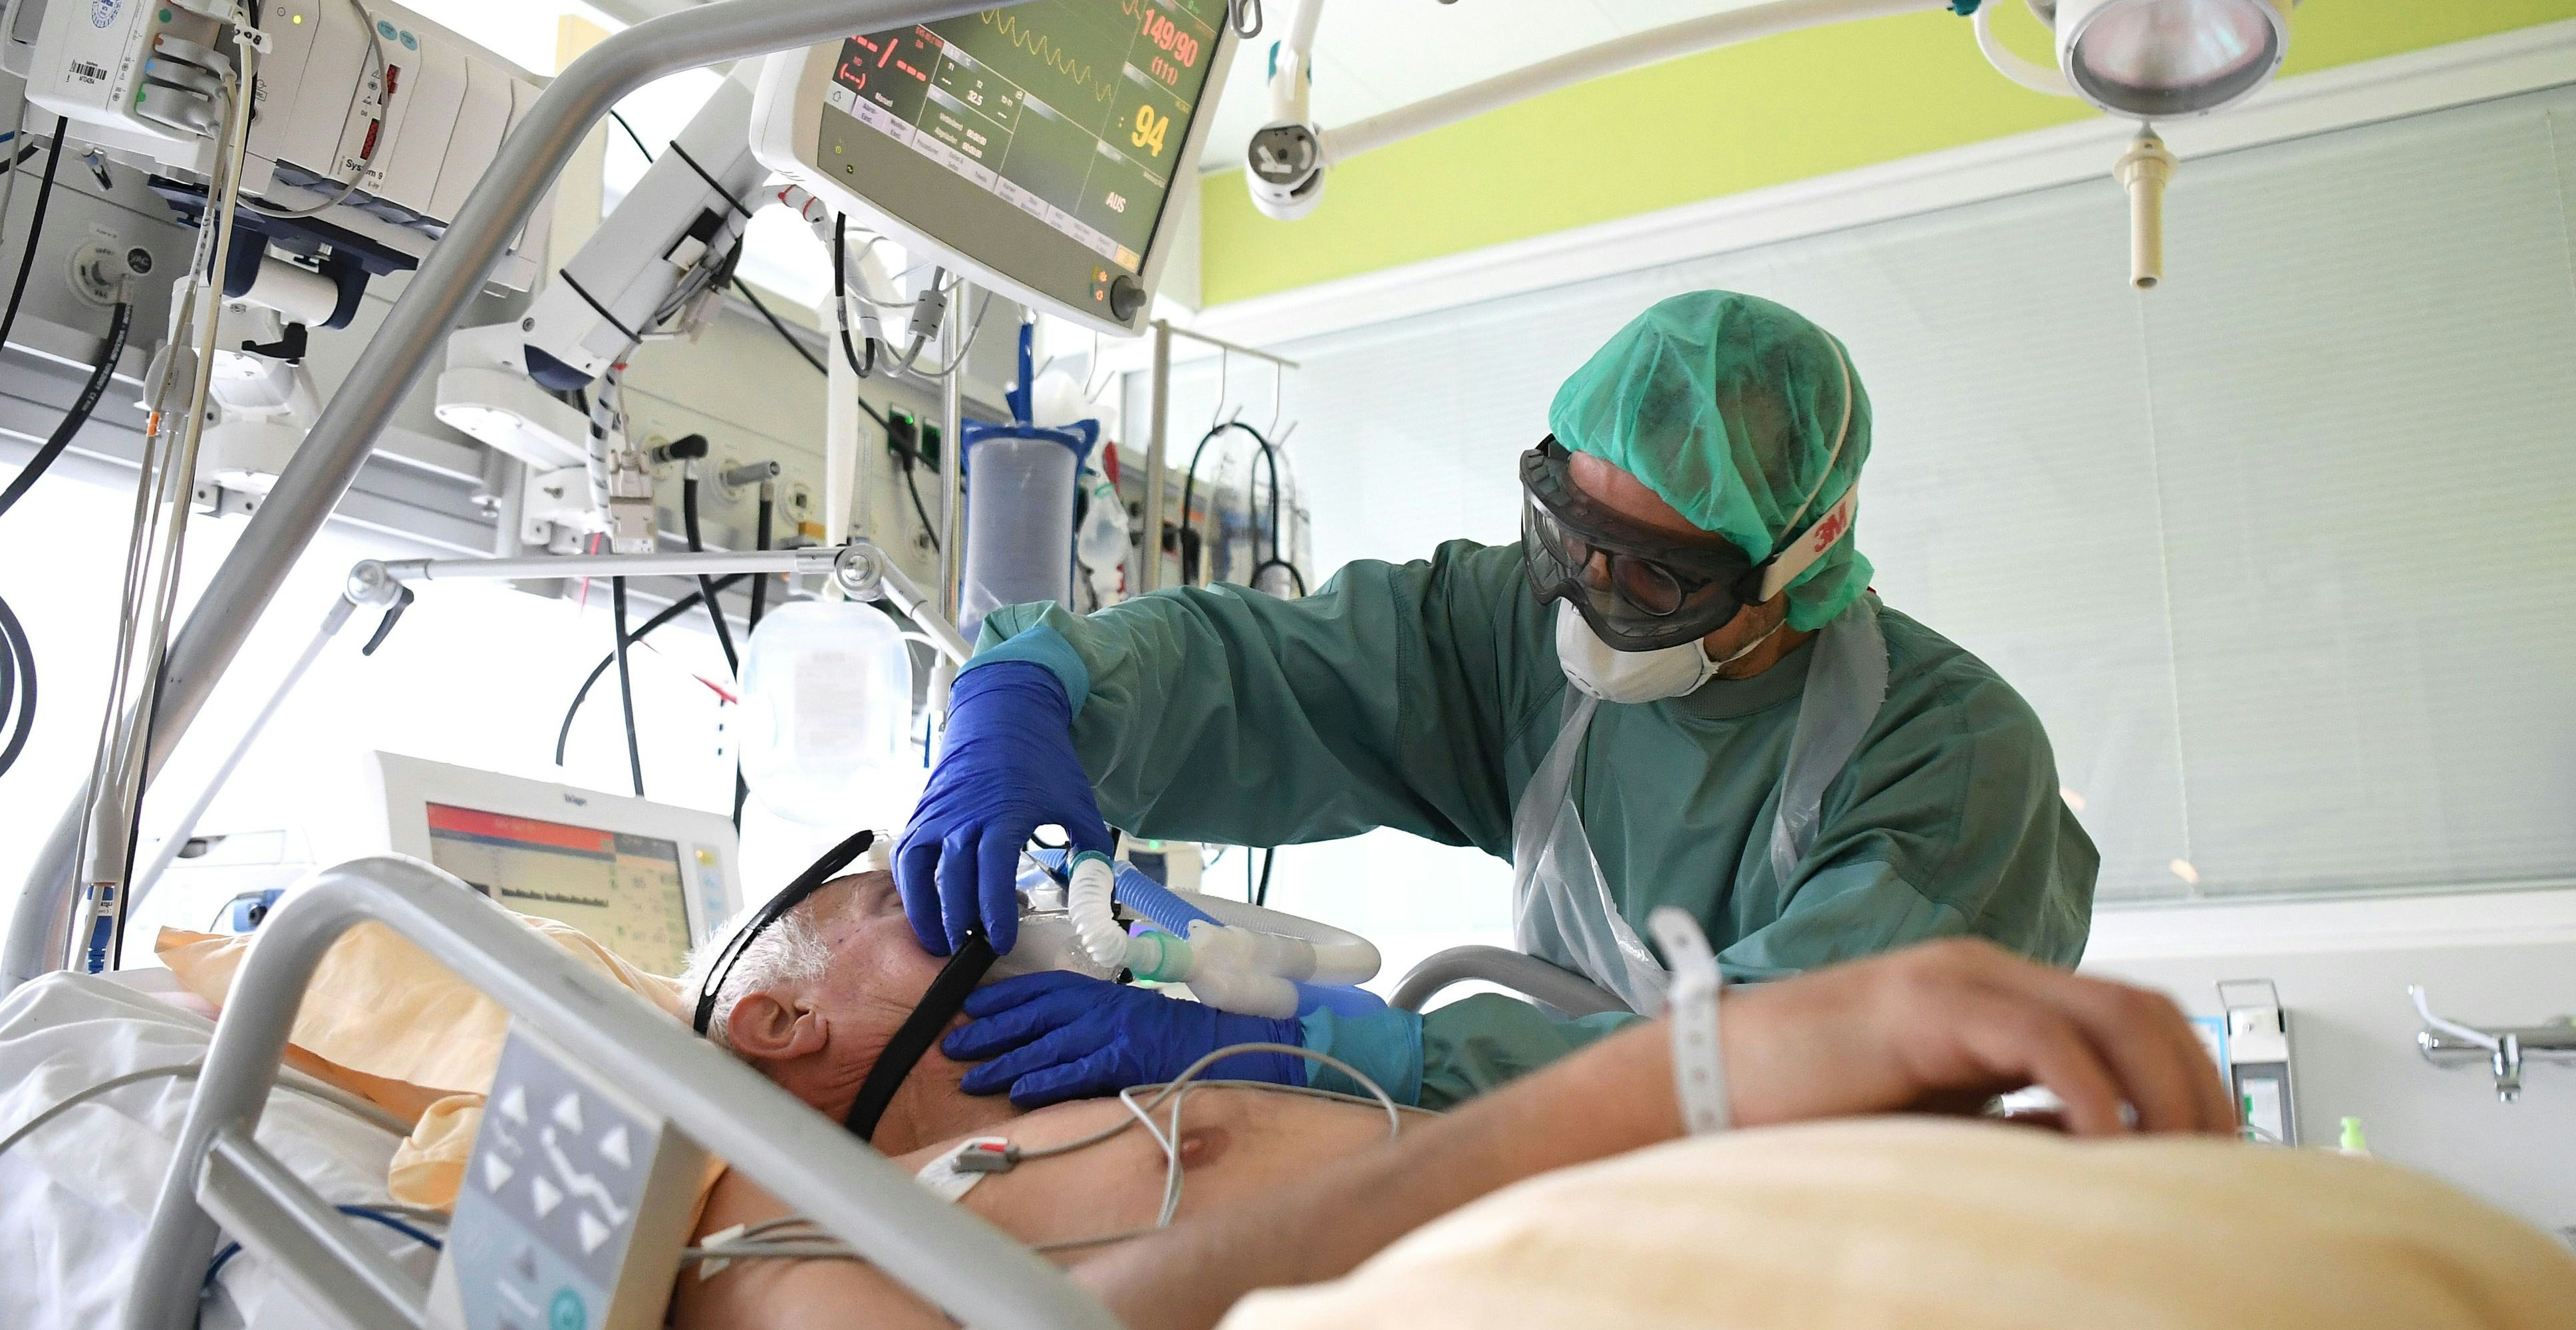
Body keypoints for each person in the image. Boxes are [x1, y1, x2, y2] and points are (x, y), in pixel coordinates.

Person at [893, 291, 2098, 1111]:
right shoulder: (1517, 629)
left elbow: (1797, 1059)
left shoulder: (1952, 760)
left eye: (1660, 579)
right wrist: (1034, 690)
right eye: (1570, 540)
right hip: (1548, 1176)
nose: (1586, 603)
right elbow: (1273, 675)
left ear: (1803, 550)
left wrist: (1366, 1054)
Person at [671, 860, 2226, 1330]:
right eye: (913, 900)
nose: (976, 903)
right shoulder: (751, 1236)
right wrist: (1692, 1080)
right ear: (777, 1015)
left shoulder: (991, 1142)